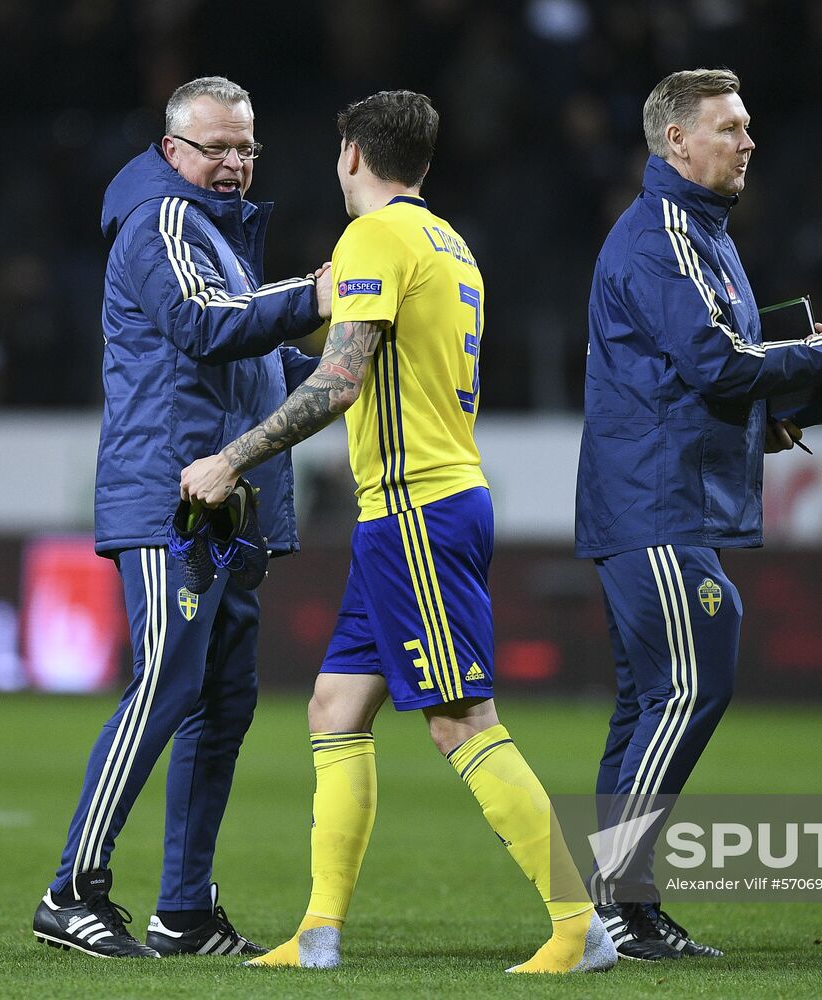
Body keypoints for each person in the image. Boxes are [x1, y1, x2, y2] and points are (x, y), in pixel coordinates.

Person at [181, 90, 616, 975]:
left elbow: (343, 379)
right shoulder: (450, 244)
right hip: (416, 509)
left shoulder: (374, 239)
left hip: (418, 508)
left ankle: (581, 927)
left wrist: (231, 459)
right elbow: (374, 368)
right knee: (335, 708)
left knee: (461, 721)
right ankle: (320, 931)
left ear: (350, 153)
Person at [32, 77, 331, 959]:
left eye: (245, 148)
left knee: (219, 704)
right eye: (215, 149)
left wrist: (337, 343)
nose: (234, 164)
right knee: (167, 683)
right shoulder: (164, 223)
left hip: (229, 509)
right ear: (173, 151)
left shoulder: (213, 235)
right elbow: (204, 327)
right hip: (173, 501)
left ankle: (184, 912)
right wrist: (314, 295)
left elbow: (248, 351)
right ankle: (71, 891)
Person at [575, 67, 822, 960]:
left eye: (747, 125)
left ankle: (610, 906)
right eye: (730, 127)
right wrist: (817, 354)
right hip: (655, 503)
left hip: (664, 496)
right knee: (697, 679)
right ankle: (617, 901)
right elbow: (716, 363)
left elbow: (695, 369)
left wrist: (763, 414)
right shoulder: (666, 232)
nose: (748, 141)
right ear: (677, 143)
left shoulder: (699, 230)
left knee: (648, 703)